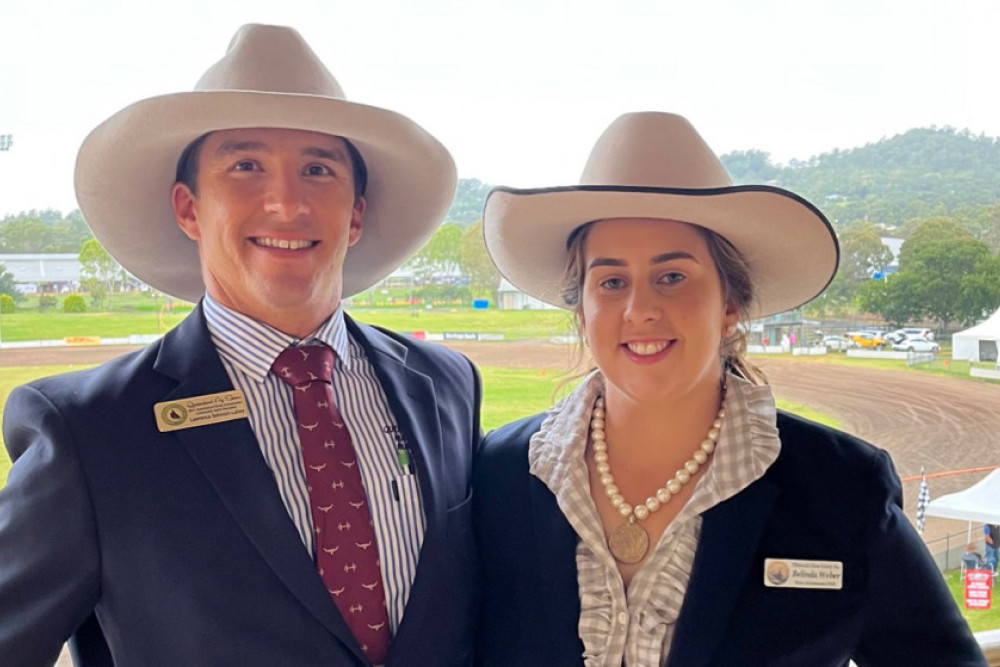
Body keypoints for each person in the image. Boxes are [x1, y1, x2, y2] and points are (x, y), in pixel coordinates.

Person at [0, 25, 480, 667]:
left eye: (318, 170)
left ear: (356, 213)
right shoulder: (87, 431)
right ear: (189, 208)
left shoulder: (446, 385)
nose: (286, 203)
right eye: (245, 166)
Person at [474, 112, 985, 666]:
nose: (640, 308)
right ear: (581, 309)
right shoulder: (498, 474)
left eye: (673, 277)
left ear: (731, 307)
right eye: (611, 281)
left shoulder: (839, 489)